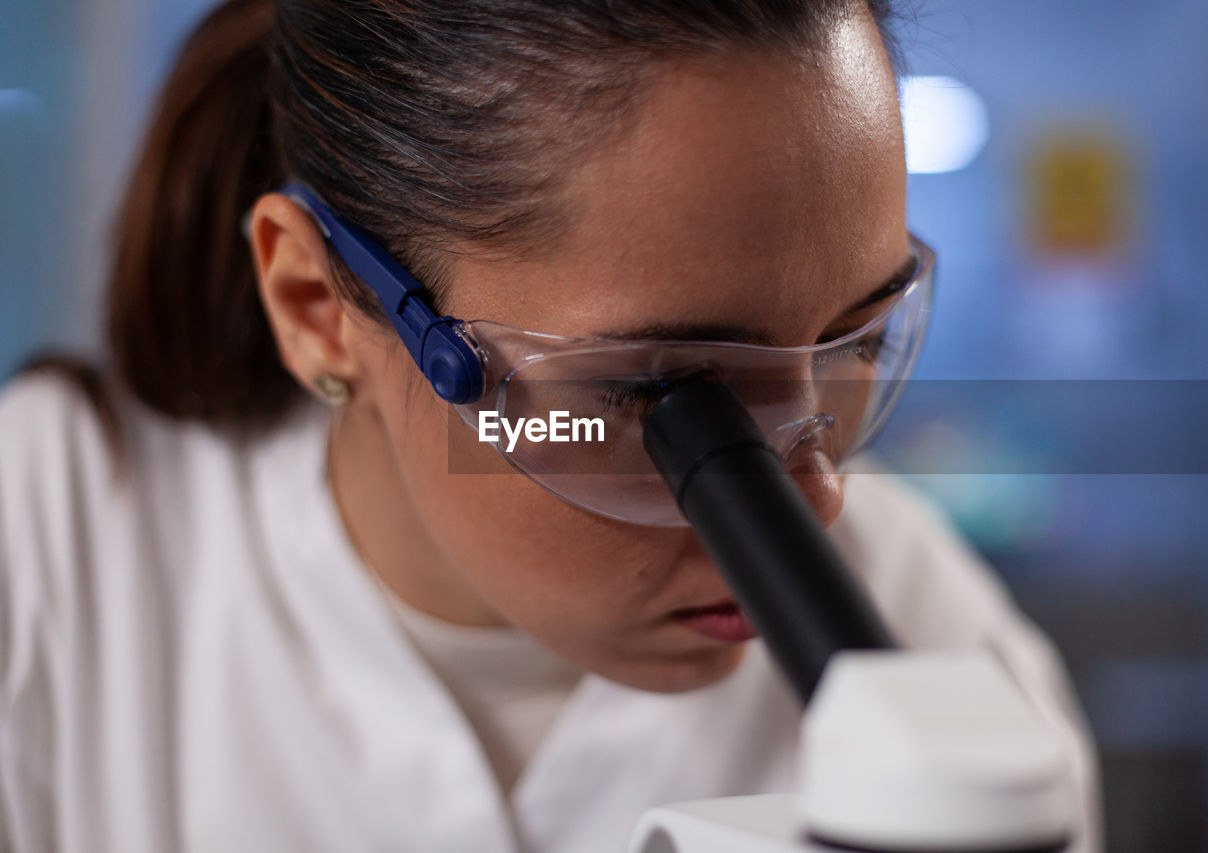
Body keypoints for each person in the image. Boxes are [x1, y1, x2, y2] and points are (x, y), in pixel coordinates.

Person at [0, 0, 1102, 850]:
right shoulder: (50, 557)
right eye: (651, 395)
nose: (813, 502)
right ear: (315, 307)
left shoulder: (929, 636)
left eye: (852, 342)